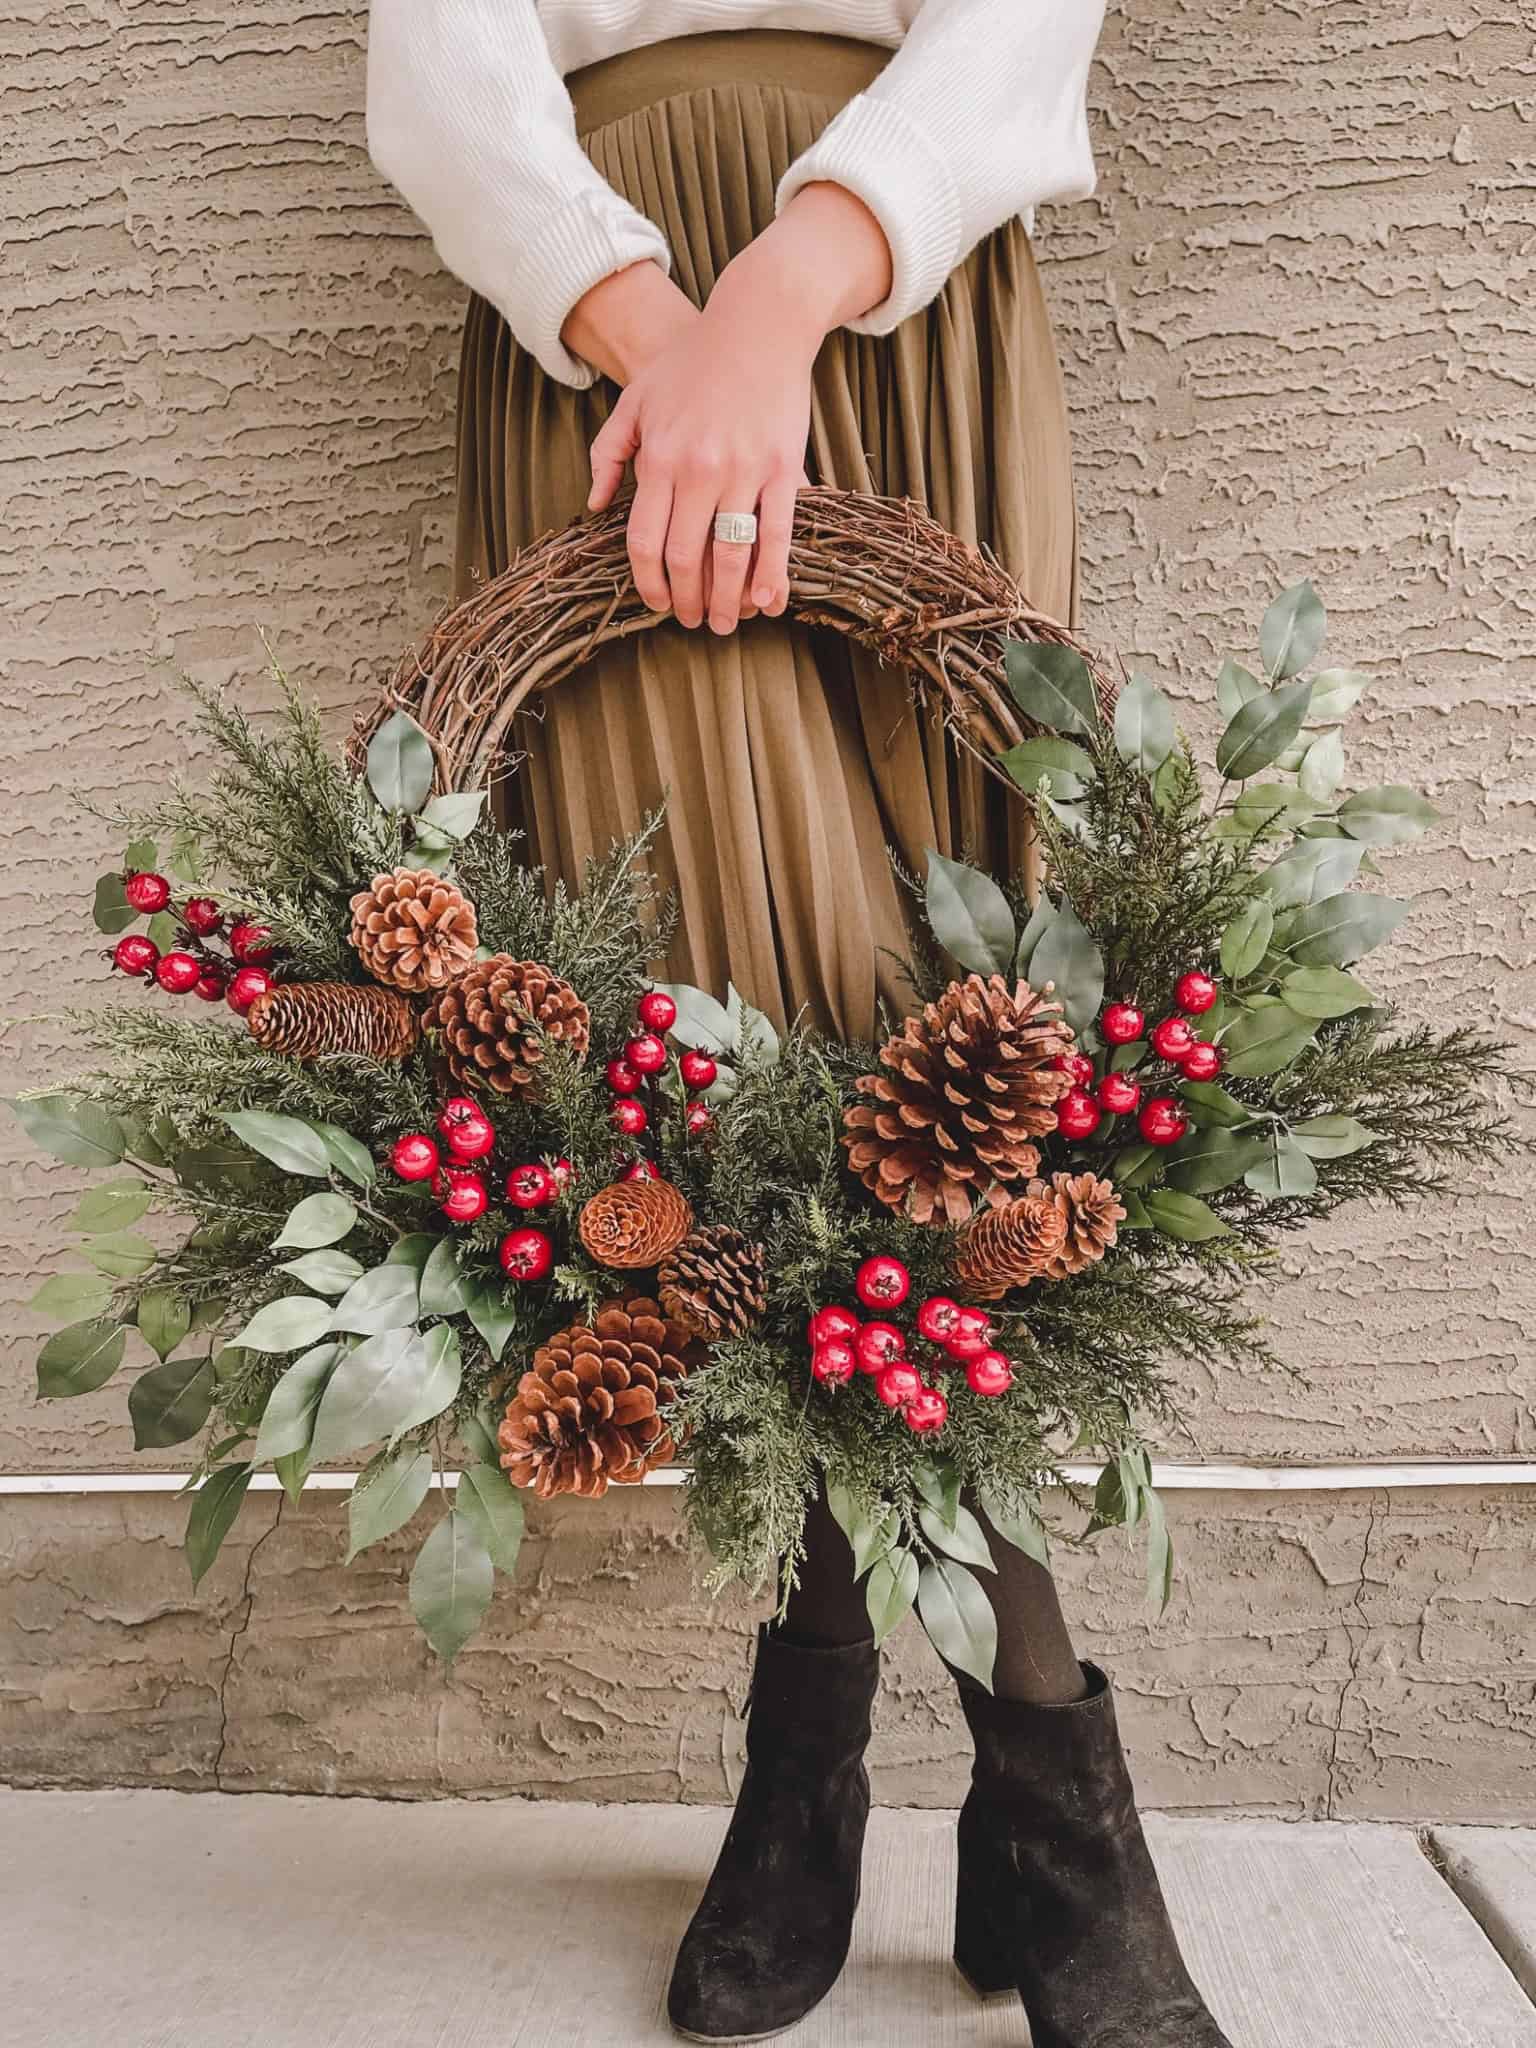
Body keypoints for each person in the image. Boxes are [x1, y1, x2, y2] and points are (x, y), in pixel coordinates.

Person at [367, 6, 1232, 2043]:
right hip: (597, 312)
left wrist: (782, 295)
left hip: (904, 314)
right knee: (764, 1067)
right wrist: (668, 339)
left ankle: (810, 1750)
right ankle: (1048, 1803)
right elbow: (437, 46)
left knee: (970, 1055)